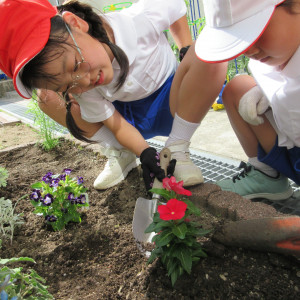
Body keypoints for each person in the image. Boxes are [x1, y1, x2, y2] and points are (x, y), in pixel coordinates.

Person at [0, 0, 227, 191]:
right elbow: (117, 126)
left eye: (75, 65)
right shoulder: (80, 85)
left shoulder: (140, 19)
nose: (83, 81)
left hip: (171, 104)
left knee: (207, 49)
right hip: (127, 125)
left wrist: (185, 47)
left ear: (76, 24)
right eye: (67, 86)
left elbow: (174, 7)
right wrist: (145, 153)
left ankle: (178, 147)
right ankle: (121, 154)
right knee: (46, 98)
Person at [195, 0, 300, 201]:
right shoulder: (265, 61)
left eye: (257, 33)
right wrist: (266, 92)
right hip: (292, 154)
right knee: (238, 87)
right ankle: (266, 175)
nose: (249, 50)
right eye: (240, 39)